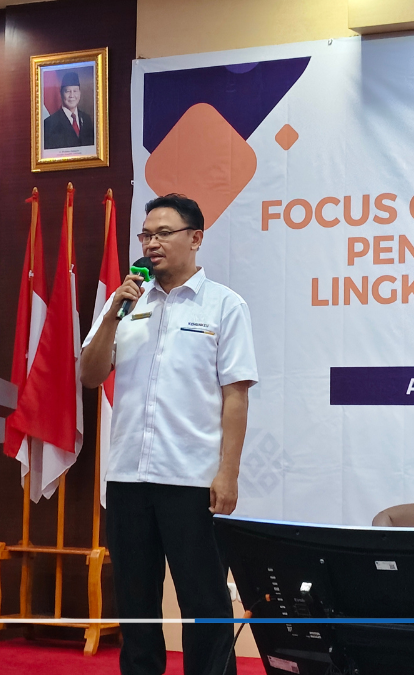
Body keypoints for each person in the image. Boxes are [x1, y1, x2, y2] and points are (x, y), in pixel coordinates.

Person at [82, 194, 257, 675]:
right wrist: (113, 314)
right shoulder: (125, 301)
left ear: (195, 238)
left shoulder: (224, 305)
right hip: (127, 479)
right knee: (135, 604)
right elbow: (90, 374)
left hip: (191, 480)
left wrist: (228, 474)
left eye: (163, 233)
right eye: (146, 235)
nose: (151, 243)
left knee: (205, 603)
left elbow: (236, 397)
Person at [42, 70, 95, 150]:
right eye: (67, 91)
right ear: (61, 93)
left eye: (75, 91)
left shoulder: (86, 119)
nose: (72, 95)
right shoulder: (49, 123)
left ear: (80, 93)